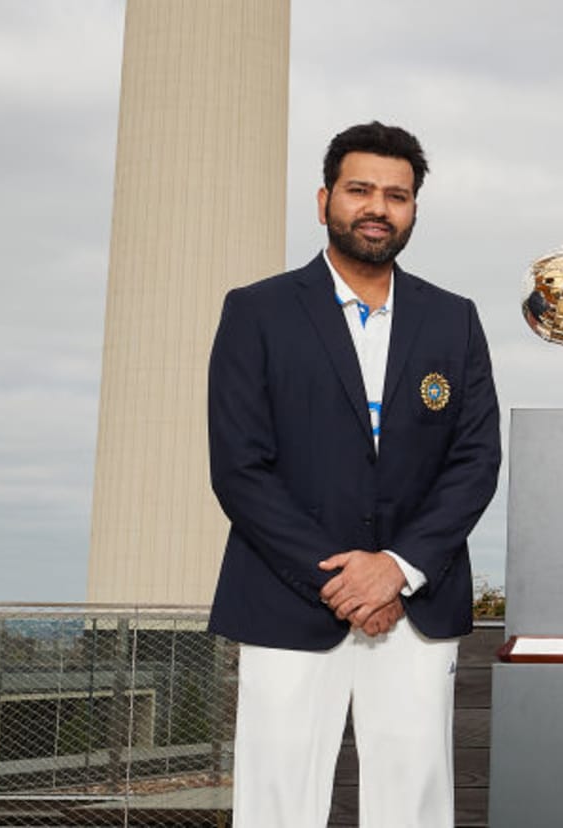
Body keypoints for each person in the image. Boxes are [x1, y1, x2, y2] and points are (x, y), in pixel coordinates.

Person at [206, 121, 501, 827]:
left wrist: (396, 568)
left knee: (415, 804)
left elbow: (475, 460)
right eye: (360, 189)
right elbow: (240, 467)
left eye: (396, 195)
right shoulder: (257, 311)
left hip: (413, 605)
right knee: (278, 803)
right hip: (288, 599)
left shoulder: (452, 320)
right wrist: (342, 580)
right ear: (324, 200)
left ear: (414, 211)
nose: (377, 207)